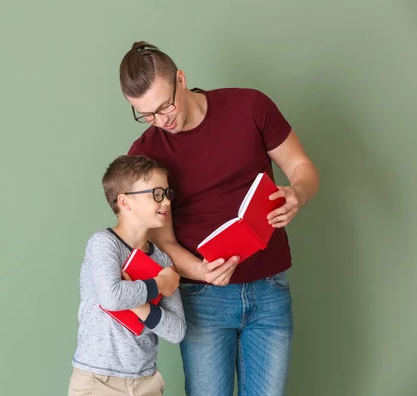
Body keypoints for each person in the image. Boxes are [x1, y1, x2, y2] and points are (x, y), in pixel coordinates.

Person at [118, 41, 320, 396]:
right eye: (146, 114)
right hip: (201, 297)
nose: (161, 121)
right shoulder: (146, 151)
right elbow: (164, 241)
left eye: (165, 106)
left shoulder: (250, 106)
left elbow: (302, 168)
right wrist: (199, 271)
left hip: (269, 288)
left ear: (181, 79)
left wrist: (297, 194)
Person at [68, 155, 187, 396]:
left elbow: (176, 330)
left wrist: (140, 306)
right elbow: (111, 296)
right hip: (98, 380)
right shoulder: (104, 244)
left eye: (166, 193)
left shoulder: (162, 260)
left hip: (146, 381)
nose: (165, 202)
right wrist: (159, 283)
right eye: (156, 193)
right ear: (125, 201)